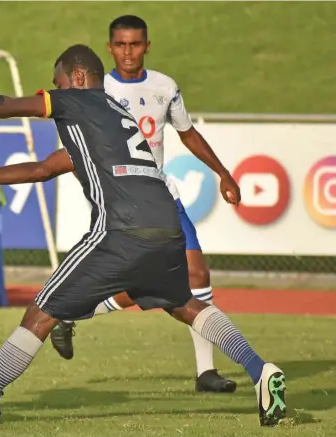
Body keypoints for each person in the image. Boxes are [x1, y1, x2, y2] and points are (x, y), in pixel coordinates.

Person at [0, 44, 286, 427]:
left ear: (76, 77)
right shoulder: (113, 114)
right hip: (167, 226)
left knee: (40, 314)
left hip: (122, 229)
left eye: (56, 82)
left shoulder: (76, 101)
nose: (52, 90)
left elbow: (7, 106)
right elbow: (43, 169)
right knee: (185, 305)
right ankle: (262, 371)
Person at [49, 15, 239, 394]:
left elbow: (188, 133)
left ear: (147, 46)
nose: (128, 51)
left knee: (197, 275)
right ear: (110, 48)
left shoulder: (164, 87)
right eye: (121, 44)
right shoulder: (94, 89)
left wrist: (224, 173)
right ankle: (68, 313)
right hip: (120, 200)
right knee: (139, 283)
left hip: (162, 194)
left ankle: (205, 372)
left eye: (135, 44)